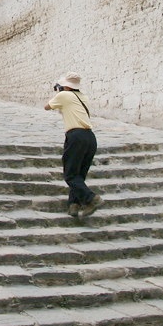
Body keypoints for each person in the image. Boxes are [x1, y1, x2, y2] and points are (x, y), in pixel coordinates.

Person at [45, 72, 101, 218]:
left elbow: (47, 106)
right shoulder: (84, 97)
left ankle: (92, 198)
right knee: (79, 175)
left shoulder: (64, 96)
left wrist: (59, 93)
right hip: (90, 137)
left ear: (66, 86)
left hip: (76, 136)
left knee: (70, 174)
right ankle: (74, 205)